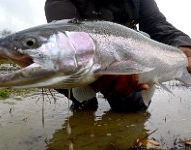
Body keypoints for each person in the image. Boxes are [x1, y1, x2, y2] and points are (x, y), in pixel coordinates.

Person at [44, 0, 191, 112]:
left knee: (132, 108)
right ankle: (84, 101)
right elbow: (64, 33)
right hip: (80, 60)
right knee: (53, 64)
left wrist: (184, 45)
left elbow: (157, 24)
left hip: (126, 61)